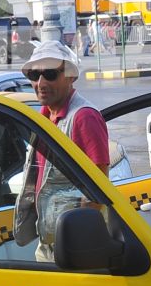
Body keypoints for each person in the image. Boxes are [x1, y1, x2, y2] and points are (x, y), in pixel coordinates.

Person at [11, 41, 110, 260]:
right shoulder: (43, 117)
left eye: (50, 74)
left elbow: (98, 188)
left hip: (75, 245)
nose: (41, 82)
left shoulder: (84, 117)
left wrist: (79, 244)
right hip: (49, 241)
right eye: (35, 75)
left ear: (70, 77)